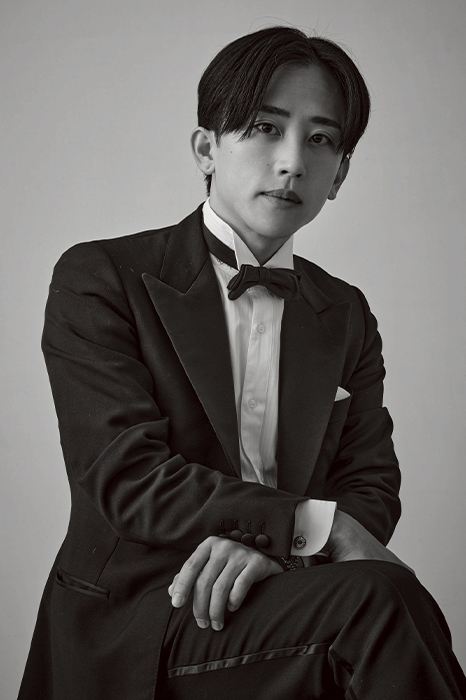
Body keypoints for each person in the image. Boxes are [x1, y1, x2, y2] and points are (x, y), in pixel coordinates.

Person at [18, 26, 466, 700]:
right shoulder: (101, 277)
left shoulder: (345, 313)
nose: (293, 162)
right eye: (265, 128)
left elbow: (370, 479)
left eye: (321, 139)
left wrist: (282, 550)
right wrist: (304, 528)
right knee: (382, 603)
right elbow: (128, 476)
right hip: (145, 615)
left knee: (384, 603)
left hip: (283, 594)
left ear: (340, 174)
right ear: (207, 148)